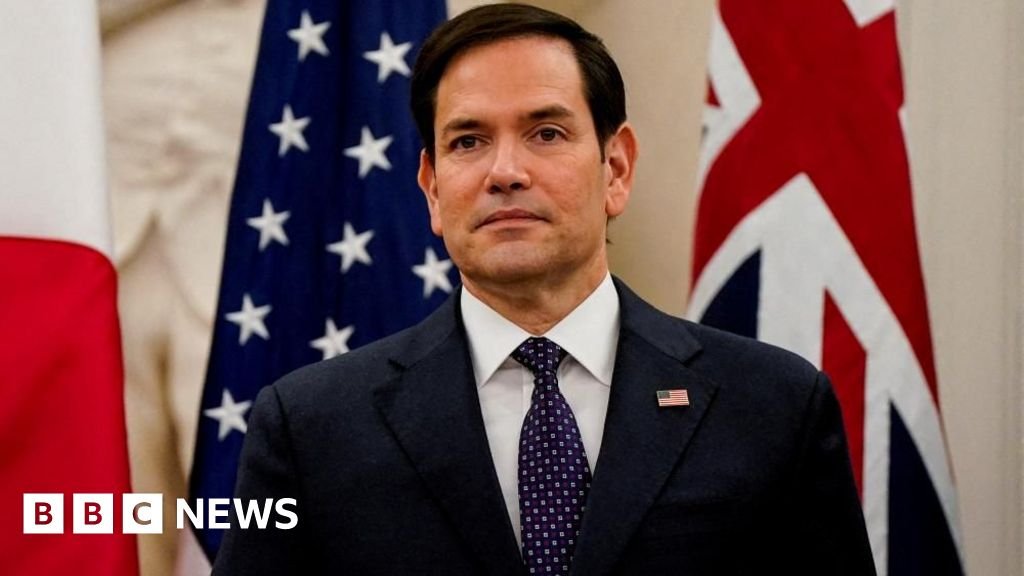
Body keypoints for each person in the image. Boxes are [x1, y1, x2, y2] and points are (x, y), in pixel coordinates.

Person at [213, 4, 876, 575]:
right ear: (433, 190)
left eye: (546, 133)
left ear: (616, 168)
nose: (505, 171)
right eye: (468, 141)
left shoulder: (773, 407)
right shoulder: (310, 428)